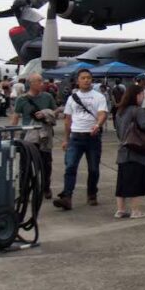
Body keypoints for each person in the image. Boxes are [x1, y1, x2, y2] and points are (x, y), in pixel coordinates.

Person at [53, 68, 109, 210]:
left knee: (94, 168)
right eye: (83, 78)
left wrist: (98, 125)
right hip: (76, 137)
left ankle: (92, 194)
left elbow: (102, 113)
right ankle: (67, 197)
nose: (86, 80)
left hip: (92, 137)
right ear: (77, 81)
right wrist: (66, 139)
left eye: (89, 78)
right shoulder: (72, 98)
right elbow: (67, 120)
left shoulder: (99, 97)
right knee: (70, 167)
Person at [11, 72, 58, 199]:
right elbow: (15, 116)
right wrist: (12, 134)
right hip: (27, 136)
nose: (42, 83)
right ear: (31, 84)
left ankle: (45, 187)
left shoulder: (48, 97)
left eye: (42, 81)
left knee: (46, 164)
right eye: (39, 81)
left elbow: (56, 112)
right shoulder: (21, 99)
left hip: (44, 136)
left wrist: (46, 113)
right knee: (26, 165)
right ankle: (24, 191)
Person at [114, 84, 145, 219]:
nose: (143, 97)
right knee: (135, 181)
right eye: (142, 95)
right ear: (136, 95)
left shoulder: (120, 111)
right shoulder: (138, 111)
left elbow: (119, 132)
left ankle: (120, 210)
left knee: (122, 181)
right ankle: (135, 211)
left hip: (123, 150)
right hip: (136, 150)